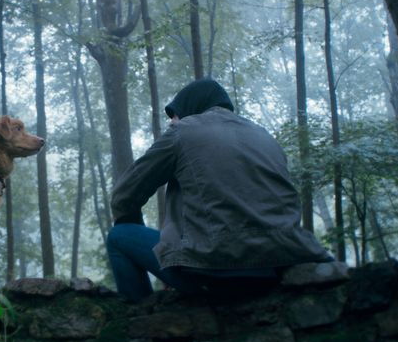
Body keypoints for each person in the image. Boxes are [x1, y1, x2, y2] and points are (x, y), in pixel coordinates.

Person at [107, 78, 331, 301]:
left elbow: (124, 196)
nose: (172, 122)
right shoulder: (263, 135)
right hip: (280, 264)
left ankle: (141, 321)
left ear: (189, 107)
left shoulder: (183, 132)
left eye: (173, 115)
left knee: (119, 236)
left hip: (214, 269)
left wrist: (135, 225)